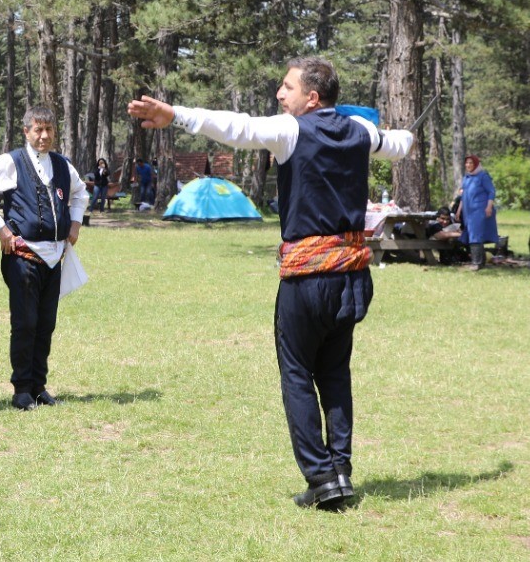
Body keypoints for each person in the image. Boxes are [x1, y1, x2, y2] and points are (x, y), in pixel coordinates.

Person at [128, 56, 413, 511]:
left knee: (298, 373)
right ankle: (340, 470)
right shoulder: (360, 132)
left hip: (307, 278)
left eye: (287, 88)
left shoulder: (292, 130)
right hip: (352, 278)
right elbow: (400, 142)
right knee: (335, 373)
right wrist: (396, 133)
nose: (280, 96)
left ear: (311, 98)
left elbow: (237, 128)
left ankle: (321, 479)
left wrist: (175, 114)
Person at [0, 106, 88, 410]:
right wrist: (1, 230)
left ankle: (39, 386)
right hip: (23, 256)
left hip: (54, 258)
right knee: (25, 322)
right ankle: (21, 390)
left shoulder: (63, 165)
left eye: (48, 130)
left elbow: (80, 194)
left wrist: (74, 223)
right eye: (37, 129)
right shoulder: (11, 162)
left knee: (46, 323)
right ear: (26, 131)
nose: (44, 136)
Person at [457, 154, 497, 271]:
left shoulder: (483, 176)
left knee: (475, 234)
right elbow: (463, 196)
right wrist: (459, 211)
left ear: (476, 164)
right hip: (468, 211)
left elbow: (491, 192)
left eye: (471, 163)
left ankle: (476, 263)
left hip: (480, 210)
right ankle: (482, 261)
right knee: (471, 234)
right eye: (467, 163)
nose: (468, 165)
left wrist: (489, 207)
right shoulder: (466, 178)